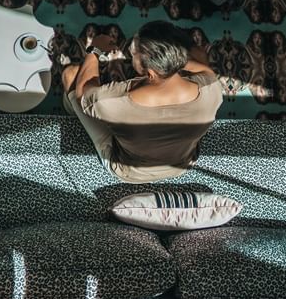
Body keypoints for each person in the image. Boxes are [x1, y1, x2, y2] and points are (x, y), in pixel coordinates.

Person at [61, 21, 223, 183]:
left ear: (150, 72)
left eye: (134, 52)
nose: (132, 52)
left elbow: (84, 94)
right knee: (200, 56)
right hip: (182, 164)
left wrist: (94, 50)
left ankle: (71, 111)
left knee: (71, 74)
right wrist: (169, 59)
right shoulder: (212, 89)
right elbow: (205, 69)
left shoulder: (113, 102)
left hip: (130, 169)